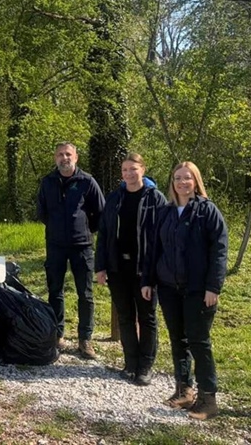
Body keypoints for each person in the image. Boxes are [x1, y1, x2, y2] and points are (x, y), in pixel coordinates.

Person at [141, 161, 228, 420]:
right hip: (169, 287)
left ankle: (208, 399)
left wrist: (213, 286)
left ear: (196, 181)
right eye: (178, 178)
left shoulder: (207, 211)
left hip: (198, 290)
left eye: (187, 178)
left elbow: (219, 251)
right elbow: (153, 249)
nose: (182, 182)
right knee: (178, 339)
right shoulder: (165, 212)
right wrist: (148, 280)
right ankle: (184, 390)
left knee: (199, 342)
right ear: (172, 182)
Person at [95, 153, 167, 385]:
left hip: (145, 271)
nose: (128, 174)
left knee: (147, 317)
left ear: (143, 170)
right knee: (125, 317)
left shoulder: (155, 199)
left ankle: (145, 366)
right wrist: (101, 267)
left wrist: (157, 271)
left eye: (133, 169)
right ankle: (130, 363)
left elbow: (163, 237)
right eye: (125, 170)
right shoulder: (115, 198)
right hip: (118, 269)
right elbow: (104, 233)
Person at [36, 141, 105, 359]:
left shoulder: (87, 182)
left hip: (82, 246)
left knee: (85, 293)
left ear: (76, 157)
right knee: (55, 291)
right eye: (60, 155)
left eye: (68, 154)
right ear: (55, 158)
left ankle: (85, 339)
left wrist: (84, 230)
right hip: (55, 245)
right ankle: (58, 336)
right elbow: (42, 212)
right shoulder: (47, 182)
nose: (64, 158)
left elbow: (100, 213)